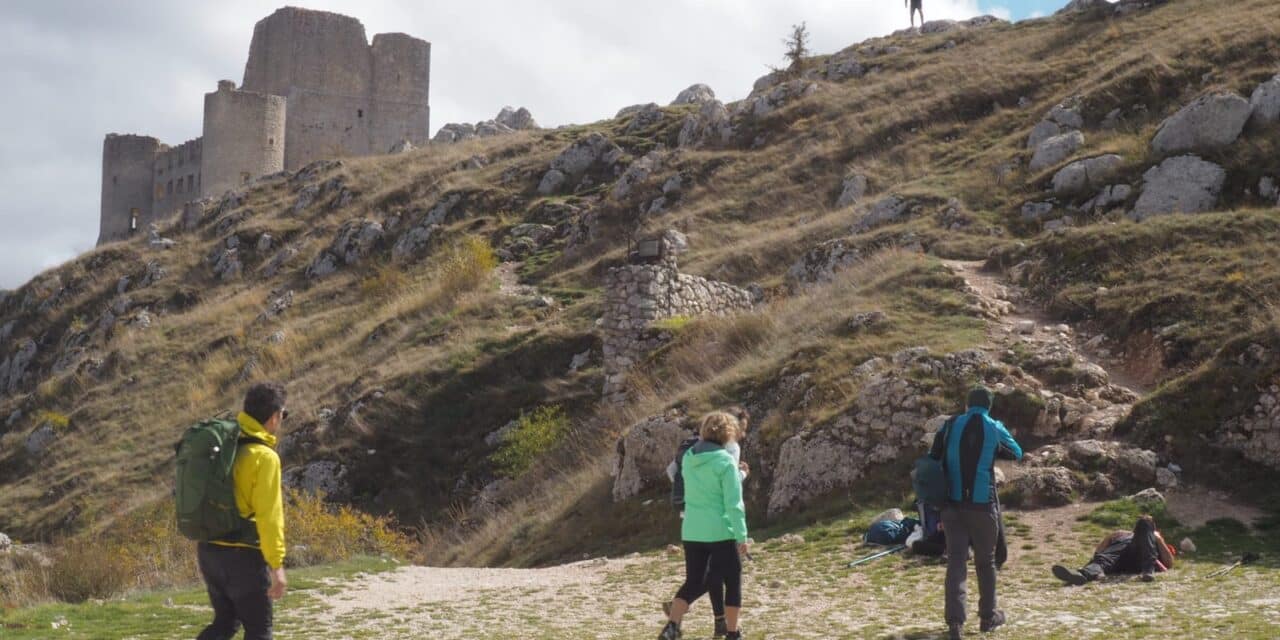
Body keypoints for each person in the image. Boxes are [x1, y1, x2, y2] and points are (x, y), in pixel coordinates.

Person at [928, 386, 1022, 639]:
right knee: (985, 561)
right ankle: (988, 617)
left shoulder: (950, 425)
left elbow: (933, 456)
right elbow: (1016, 452)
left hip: (951, 506)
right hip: (983, 506)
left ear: (967, 405)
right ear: (989, 406)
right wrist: (993, 450)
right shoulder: (994, 426)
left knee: (956, 562)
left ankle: (955, 624)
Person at [197, 382, 289, 640]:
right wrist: (276, 565)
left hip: (209, 551)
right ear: (273, 417)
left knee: (225, 623)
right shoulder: (264, 457)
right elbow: (269, 518)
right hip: (243, 558)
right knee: (259, 630)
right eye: (283, 415)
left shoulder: (224, 445)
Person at [659, 412, 749, 640]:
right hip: (720, 530)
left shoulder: (689, 457)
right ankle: (731, 632)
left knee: (694, 581)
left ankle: (672, 626)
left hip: (692, 530)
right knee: (733, 579)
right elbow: (733, 504)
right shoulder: (726, 461)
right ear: (728, 433)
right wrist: (742, 536)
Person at [1052, 515, 1176, 585]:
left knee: (1145, 520)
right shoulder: (1123, 535)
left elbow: (1169, 563)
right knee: (1104, 558)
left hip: (1140, 558)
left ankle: (1148, 571)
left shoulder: (1153, 540)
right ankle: (1082, 575)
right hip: (1118, 559)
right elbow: (1098, 553)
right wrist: (1110, 537)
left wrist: (1158, 539)